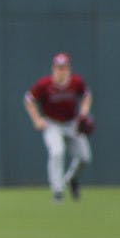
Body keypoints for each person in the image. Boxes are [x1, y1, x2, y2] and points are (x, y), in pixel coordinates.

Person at [23, 52, 93, 202]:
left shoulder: (76, 82)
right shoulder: (45, 84)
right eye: (58, 67)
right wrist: (36, 119)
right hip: (52, 123)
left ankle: (70, 179)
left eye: (64, 67)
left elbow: (86, 95)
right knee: (56, 152)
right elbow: (28, 99)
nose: (61, 70)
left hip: (71, 123)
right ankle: (57, 191)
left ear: (69, 68)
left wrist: (83, 113)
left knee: (85, 157)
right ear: (53, 68)